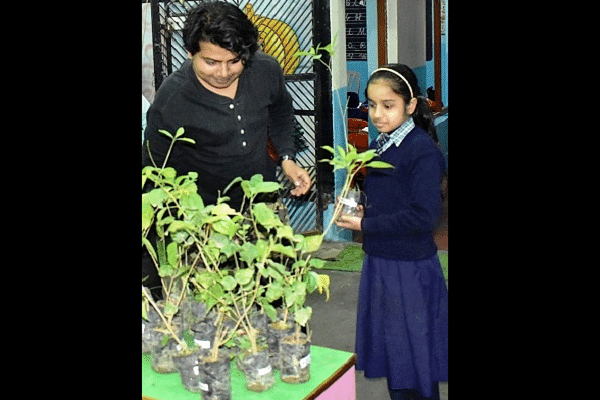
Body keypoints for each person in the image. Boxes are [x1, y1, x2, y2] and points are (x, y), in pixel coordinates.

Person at [142, 1, 311, 297]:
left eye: (234, 61)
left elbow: (282, 110)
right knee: (215, 313)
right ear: (191, 52)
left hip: (263, 207)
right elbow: (152, 178)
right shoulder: (172, 101)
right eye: (211, 62)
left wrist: (287, 157)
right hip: (205, 222)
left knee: (280, 300)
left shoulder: (265, 70)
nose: (223, 73)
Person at [335, 64, 448, 400]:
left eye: (388, 105)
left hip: (409, 269)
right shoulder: (380, 144)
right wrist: (360, 208)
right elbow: (391, 201)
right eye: (371, 105)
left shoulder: (422, 152)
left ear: (410, 105)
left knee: (414, 364)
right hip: (381, 262)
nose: (377, 114)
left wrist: (364, 225)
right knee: (396, 357)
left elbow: (422, 217)